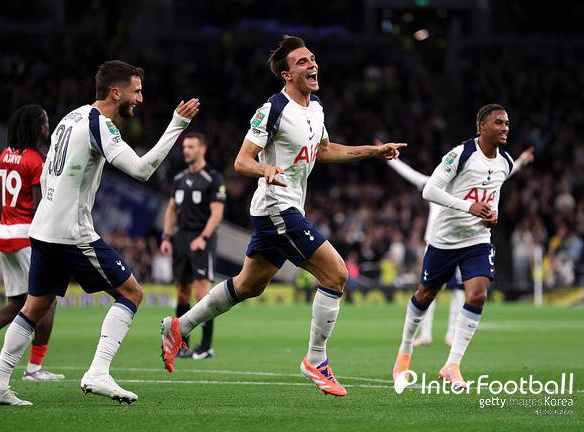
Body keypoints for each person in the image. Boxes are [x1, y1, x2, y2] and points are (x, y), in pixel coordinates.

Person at [160, 35, 406, 397]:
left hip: (282, 209)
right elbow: (241, 161)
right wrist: (265, 169)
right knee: (336, 274)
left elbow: (325, 150)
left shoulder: (316, 107)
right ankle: (316, 359)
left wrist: (374, 150)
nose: (313, 64)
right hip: (278, 207)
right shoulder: (272, 109)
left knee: (248, 285)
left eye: (313, 59)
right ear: (286, 74)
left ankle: (178, 327)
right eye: (302, 62)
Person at [0, 60, 200, 406]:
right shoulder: (100, 124)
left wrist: (55, 209)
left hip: (43, 229)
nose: (140, 99)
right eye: (136, 91)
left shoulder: (71, 117)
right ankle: (98, 371)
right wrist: (177, 125)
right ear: (116, 92)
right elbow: (141, 170)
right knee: (131, 293)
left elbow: (48, 175)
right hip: (71, 233)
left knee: (34, 307)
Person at [392, 103, 515, 388]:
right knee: (425, 295)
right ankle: (405, 352)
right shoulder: (461, 154)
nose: (505, 128)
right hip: (445, 240)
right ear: (482, 126)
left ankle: (452, 364)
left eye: (507, 123)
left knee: (477, 295)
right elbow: (429, 190)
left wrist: (493, 215)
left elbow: (493, 196)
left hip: (477, 240)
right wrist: (468, 207)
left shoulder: (505, 162)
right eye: (499, 122)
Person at [386, 145, 534, 346]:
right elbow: (408, 173)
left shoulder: (465, 183)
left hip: (461, 241)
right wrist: (388, 158)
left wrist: (522, 161)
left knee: (457, 289)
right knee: (428, 290)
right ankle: (427, 334)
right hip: (435, 241)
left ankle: (451, 333)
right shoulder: (432, 183)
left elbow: (503, 173)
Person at [0, 105, 64, 381]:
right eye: (45, 122)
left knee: (18, 302)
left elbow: (1, 198)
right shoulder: (35, 160)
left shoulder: (4, 155)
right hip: (26, 235)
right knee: (47, 301)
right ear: (36, 127)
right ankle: (34, 369)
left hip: (5, 232)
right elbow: (40, 206)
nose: (48, 127)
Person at [160, 132, 226, 359]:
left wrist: (204, 238)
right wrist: (166, 237)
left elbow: (217, 213)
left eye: (191, 147)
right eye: (185, 147)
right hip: (180, 239)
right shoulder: (179, 178)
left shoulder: (213, 178)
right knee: (181, 293)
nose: (186, 150)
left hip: (202, 239)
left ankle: (206, 346)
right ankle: (182, 345)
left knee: (202, 294)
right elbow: (171, 209)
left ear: (202, 149)